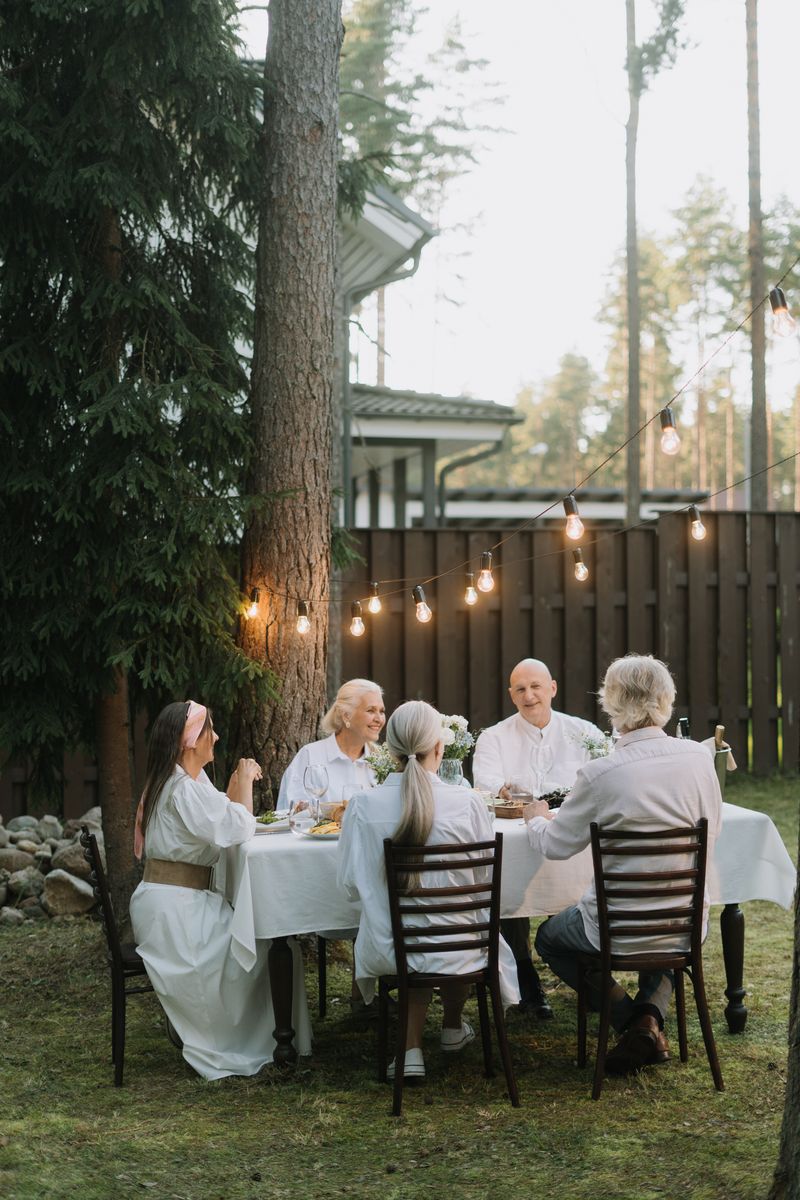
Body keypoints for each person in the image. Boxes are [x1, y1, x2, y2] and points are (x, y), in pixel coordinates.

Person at [528, 654, 722, 1075]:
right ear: (665, 700)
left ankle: (630, 1019)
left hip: (612, 928)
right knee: (667, 939)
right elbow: (715, 832)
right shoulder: (698, 759)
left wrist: (535, 819)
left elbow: (558, 846)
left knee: (548, 939)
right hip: (683, 922)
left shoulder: (601, 773)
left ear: (612, 703)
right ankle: (650, 1022)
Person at [338, 700, 519, 1082]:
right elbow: (481, 879)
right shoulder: (468, 803)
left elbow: (350, 885)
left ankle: (411, 1051)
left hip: (392, 948)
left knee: (414, 931)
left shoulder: (363, 805)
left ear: (390, 751)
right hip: (463, 949)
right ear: (439, 748)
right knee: (458, 919)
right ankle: (452, 1027)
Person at [130, 700, 311, 1079]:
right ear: (189, 742)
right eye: (209, 730)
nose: (217, 737)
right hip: (175, 912)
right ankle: (236, 1040)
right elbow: (236, 828)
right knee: (263, 946)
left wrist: (232, 792)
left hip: (186, 902)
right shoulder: (180, 787)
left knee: (274, 942)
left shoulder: (190, 781)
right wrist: (243, 783)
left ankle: (269, 1037)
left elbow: (224, 816)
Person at [472, 657, 605, 1018]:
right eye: (520, 689)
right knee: (507, 886)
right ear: (511, 696)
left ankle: (592, 979)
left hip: (572, 837)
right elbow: (488, 789)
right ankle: (526, 983)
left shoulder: (585, 732)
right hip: (517, 840)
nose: (530, 696)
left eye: (536, 687)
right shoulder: (493, 737)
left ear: (553, 688)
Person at [276, 678, 385, 813]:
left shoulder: (382, 762)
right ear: (346, 716)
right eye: (371, 710)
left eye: (381, 711)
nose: (379, 719)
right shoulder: (310, 756)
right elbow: (290, 813)